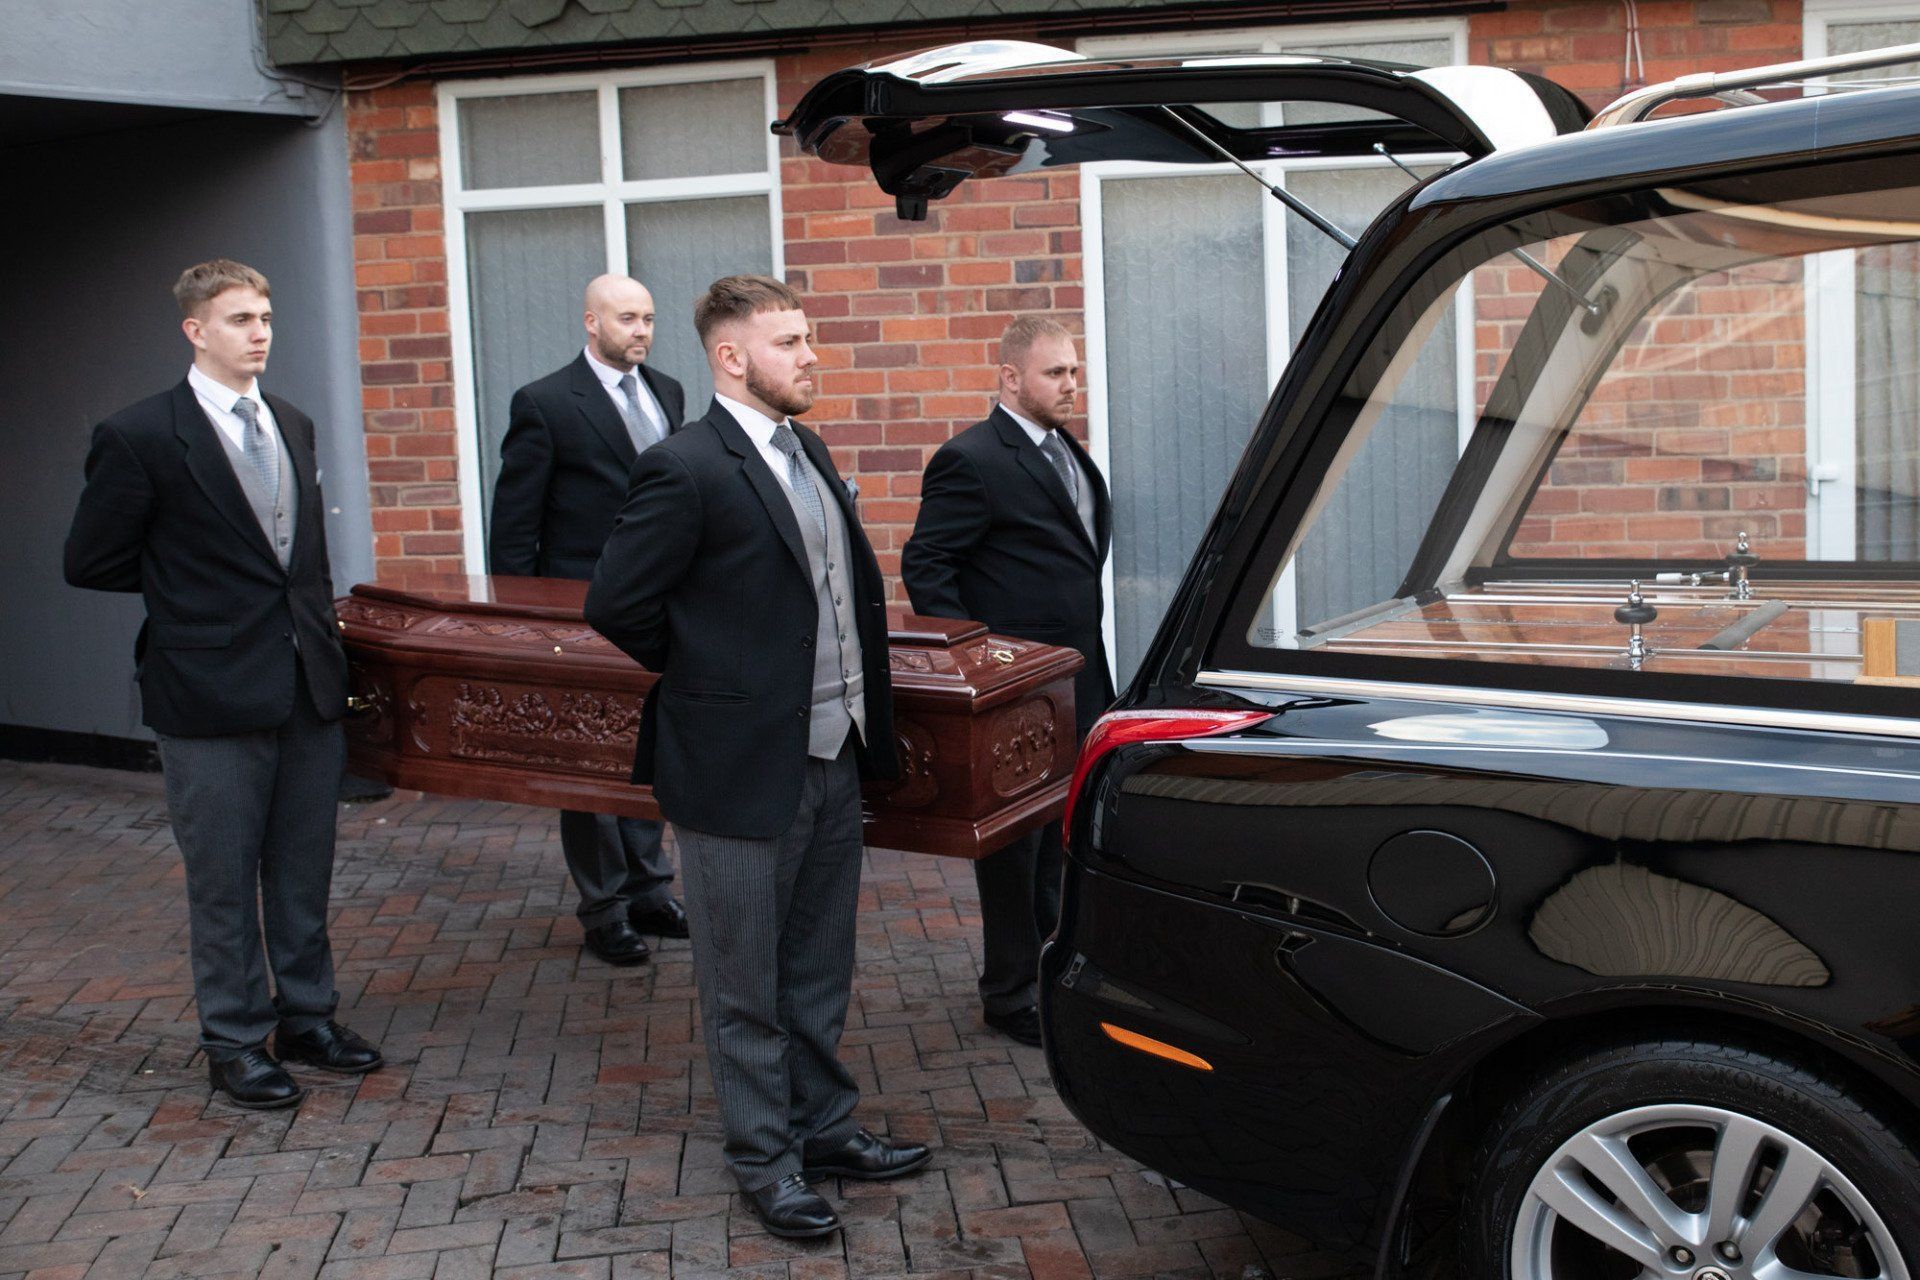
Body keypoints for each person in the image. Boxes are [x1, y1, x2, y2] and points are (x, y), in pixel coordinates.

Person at [584, 275, 929, 1238]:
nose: (811, 354)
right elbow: (616, 604)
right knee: (744, 981)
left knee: (819, 962)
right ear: (731, 356)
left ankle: (824, 1128)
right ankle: (764, 1159)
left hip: (834, 753)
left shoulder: (807, 448)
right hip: (734, 764)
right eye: (791, 341)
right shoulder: (684, 465)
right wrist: (716, 681)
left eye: (809, 336)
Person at [64, 259, 383, 1109]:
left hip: (306, 685)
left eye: (267, 317)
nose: (261, 332)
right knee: (222, 877)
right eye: (241, 318)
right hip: (205, 691)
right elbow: (89, 560)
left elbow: (299, 561)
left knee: (303, 868)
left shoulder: (292, 422)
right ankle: (235, 1039)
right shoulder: (140, 435)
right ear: (196, 331)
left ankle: (308, 1018)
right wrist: (193, 597)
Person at [900, 316, 1113, 1047]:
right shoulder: (971, 459)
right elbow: (927, 565)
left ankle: (1051, 968)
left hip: (1077, 679)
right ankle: (1008, 991)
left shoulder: (1066, 454)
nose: (1071, 384)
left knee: (1060, 835)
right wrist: (977, 659)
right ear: (1010, 378)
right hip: (1015, 694)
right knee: (1013, 850)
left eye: (1075, 372)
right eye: (1056, 373)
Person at [490, 274, 690, 966]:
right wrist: (524, 622)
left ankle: (651, 890)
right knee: (588, 758)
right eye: (627, 318)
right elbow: (514, 529)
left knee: (649, 748)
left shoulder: (669, 393)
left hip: (660, 606)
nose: (641, 330)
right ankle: (604, 908)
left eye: (649, 318)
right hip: (580, 615)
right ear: (590, 322)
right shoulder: (544, 403)